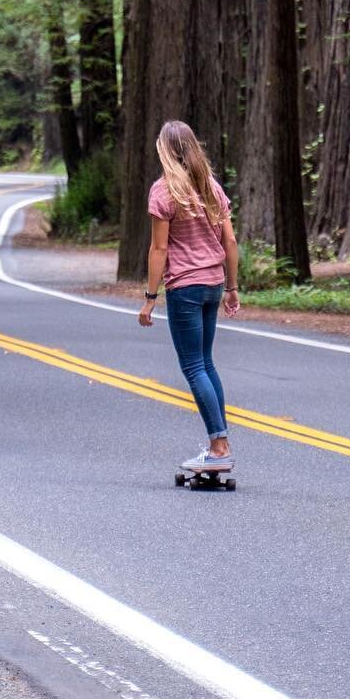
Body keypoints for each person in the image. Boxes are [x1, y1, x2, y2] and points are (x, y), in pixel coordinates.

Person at [137, 120, 240, 473]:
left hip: (185, 287)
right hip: (213, 284)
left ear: (165, 151)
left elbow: (159, 248)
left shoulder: (164, 192)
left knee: (194, 366)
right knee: (206, 363)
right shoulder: (211, 187)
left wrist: (151, 296)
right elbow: (230, 241)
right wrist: (231, 287)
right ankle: (219, 442)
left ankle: (219, 445)